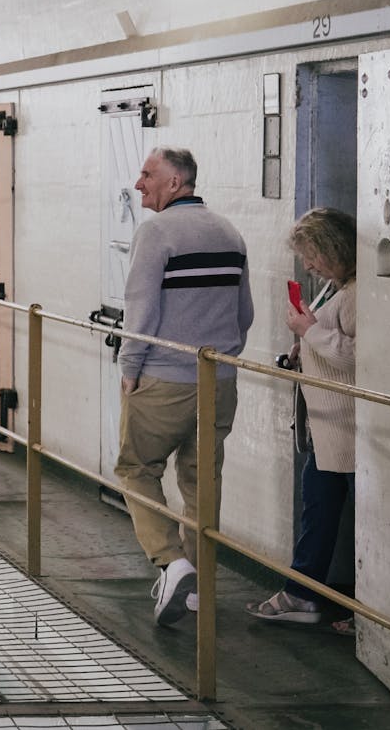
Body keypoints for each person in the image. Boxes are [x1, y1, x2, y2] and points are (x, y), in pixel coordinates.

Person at [117, 146, 253, 626]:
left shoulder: (155, 232)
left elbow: (141, 309)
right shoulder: (230, 232)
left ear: (175, 183)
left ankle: (173, 563)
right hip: (219, 379)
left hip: (163, 379)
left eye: (147, 174)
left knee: (135, 469)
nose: (139, 184)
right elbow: (245, 315)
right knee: (202, 482)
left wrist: (129, 366)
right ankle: (200, 590)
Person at [248, 208, 357, 632]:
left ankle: (321, 599)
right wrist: (306, 345)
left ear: (335, 247)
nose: (308, 265)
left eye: (312, 254)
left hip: (349, 429)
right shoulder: (335, 287)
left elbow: (360, 358)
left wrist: (310, 333)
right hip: (330, 427)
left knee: (340, 516)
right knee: (320, 510)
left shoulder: (358, 294)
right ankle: (306, 593)